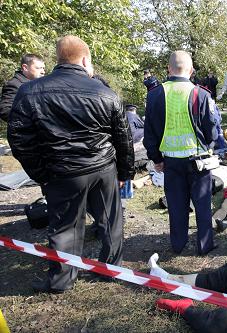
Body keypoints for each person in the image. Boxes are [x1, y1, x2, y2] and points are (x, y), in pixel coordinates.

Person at [7, 35, 135, 293]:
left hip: (65, 171)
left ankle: (63, 279)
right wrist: (124, 172)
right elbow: (124, 138)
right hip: (99, 168)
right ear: (85, 59)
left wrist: (41, 173)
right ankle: (111, 268)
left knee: (66, 226)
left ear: (58, 58)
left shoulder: (30, 91)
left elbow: (20, 140)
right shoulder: (104, 92)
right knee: (110, 221)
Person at [143, 50, 218, 255]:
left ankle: (178, 244)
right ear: (192, 70)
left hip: (170, 161)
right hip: (198, 160)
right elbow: (211, 129)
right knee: (202, 204)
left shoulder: (155, 94)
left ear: (168, 69)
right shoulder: (201, 94)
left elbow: (149, 131)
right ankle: (204, 245)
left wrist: (156, 158)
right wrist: (209, 145)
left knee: (176, 205)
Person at [0, 54, 45, 122]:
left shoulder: (38, 84)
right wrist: (32, 121)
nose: (43, 72)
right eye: (38, 68)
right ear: (25, 67)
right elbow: (5, 111)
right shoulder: (15, 84)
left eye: (43, 68)